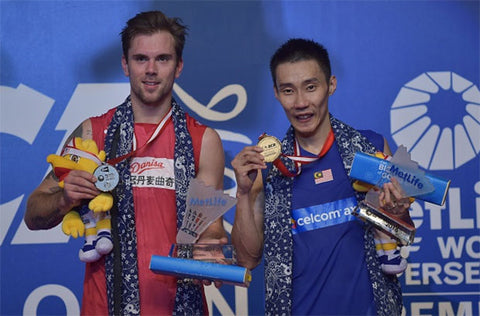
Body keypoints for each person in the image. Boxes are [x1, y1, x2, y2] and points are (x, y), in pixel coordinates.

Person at [25, 10, 227, 316]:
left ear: (179, 66)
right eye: (140, 59)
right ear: (124, 64)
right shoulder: (91, 133)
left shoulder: (204, 141)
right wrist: (65, 199)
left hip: (181, 308)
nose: (151, 70)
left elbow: (210, 231)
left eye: (162, 59)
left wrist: (211, 254)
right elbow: (33, 214)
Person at [231, 38, 412, 315]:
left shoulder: (371, 149)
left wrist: (396, 213)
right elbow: (247, 259)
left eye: (311, 87)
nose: (301, 102)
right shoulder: (266, 169)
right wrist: (243, 193)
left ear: (331, 85)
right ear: (276, 94)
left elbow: (399, 236)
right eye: (288, 90)